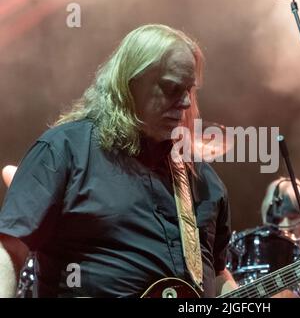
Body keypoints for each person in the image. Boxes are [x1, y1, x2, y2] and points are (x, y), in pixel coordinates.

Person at [0, 24, 237, 298]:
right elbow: (9, 249)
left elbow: (216, 272)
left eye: (189, 90)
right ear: (130, 84)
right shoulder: (65, 150)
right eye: (172, 88)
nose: (185, 102)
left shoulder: (204, 180)